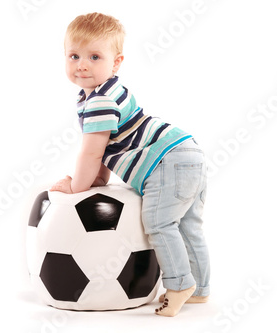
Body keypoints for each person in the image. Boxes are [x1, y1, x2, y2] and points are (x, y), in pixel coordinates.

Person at [50, 12, 210, 317]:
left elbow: (92, 153)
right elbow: (113, 144)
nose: (81, 64)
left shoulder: (98, 101)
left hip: (166, 163)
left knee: (160, 224)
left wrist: (77, 185)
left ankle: (178, 287)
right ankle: (200, 289)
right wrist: (100, 179)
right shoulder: (111, 91)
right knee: (189, 225)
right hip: (188, 152)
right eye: (74, 56)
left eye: (94, 56)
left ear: (116, 62)